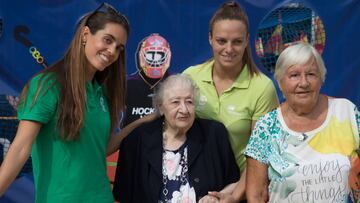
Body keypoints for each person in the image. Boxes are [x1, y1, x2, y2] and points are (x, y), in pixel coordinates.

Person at [0, 2, 130, 202]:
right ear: (86, 35)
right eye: (107, 40)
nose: (112, 51)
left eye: (119, 47)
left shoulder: (101, 93)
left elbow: (97, 149)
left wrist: (142, 123)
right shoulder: (47, 85)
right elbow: (19, 150)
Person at [183, 1, 279, 201]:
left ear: (247, 41)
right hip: (191, 188)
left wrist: (234, 195)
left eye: (237, 41)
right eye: (221, 40)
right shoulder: (190, 77)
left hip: (239, 189)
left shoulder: (262, 88)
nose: (229, 48)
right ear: (210, 39)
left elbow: (262, 156)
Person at [245, 43, 360, 203]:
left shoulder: (346, 112)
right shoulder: (266, 126)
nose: (304, 82)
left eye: (311, 74)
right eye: (294, 75)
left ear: (321, 78)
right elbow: (255, 195)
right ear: (280, 82)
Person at [112, 74, 239, 202]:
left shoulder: (214, 134)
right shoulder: (137, 140)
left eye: (189, 102)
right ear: (161, 107)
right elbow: (123, 195)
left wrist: (217, 197)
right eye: (175, 102)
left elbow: (234, 183)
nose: (184, 109)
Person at [123, 33, 172, 126]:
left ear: (167, 56)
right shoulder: (127, 84)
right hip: (133, 138)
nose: (154, 60)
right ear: (142, 56)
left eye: (159, 55)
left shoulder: (175, 83)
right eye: (150, 55)